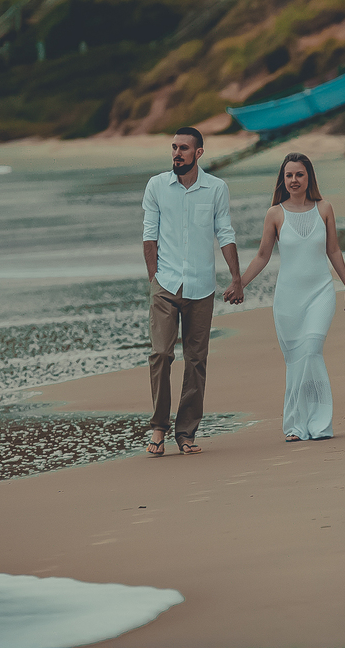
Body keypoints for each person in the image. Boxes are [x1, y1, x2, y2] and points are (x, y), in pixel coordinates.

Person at [240, 153, 345, 441]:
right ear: (283, 179)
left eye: (299, 174)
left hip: (320, 293)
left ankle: (319, 424)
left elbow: (334, 250)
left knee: (312, 349)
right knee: (296, 360)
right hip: (288, 300)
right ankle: (295, 426)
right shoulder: (275, 214)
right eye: (289, 175)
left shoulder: (325, 208)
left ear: (309, 178)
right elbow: (263, 256)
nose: (293, 180)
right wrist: (239, 284)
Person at [142, 127, 243, 456]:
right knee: (160, 354)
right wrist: (153, 278)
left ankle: (186, 432)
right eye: (174, 147)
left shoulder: (216, 189)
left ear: (198, 153)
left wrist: (236, 278)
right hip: (166, 283)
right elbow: (149, 236)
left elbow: (225, 233)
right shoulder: (157, 186)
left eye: (184, 148)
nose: (177, 153)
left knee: (196, 360)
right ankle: (159, 426)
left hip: (201, 287)